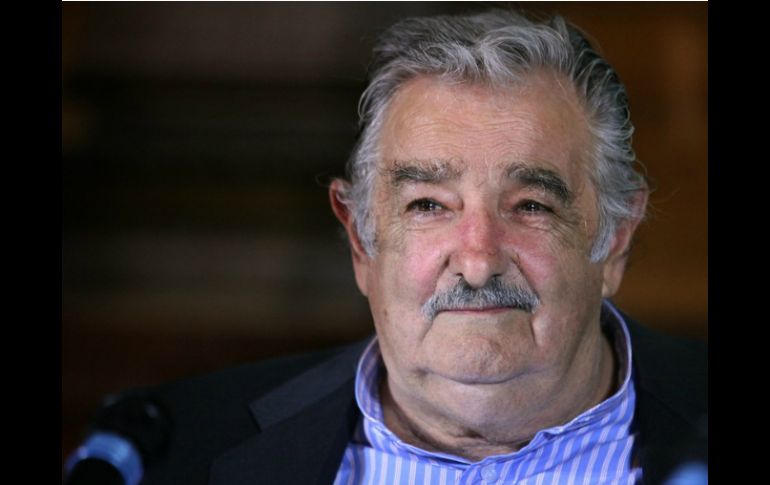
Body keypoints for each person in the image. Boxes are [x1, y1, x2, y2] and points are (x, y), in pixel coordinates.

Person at [65, 8, 706, 485]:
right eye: (428, 205)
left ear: (615, 240)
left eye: (532, 206)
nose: (477, 261)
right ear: (360, 241)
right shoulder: (166, 452)